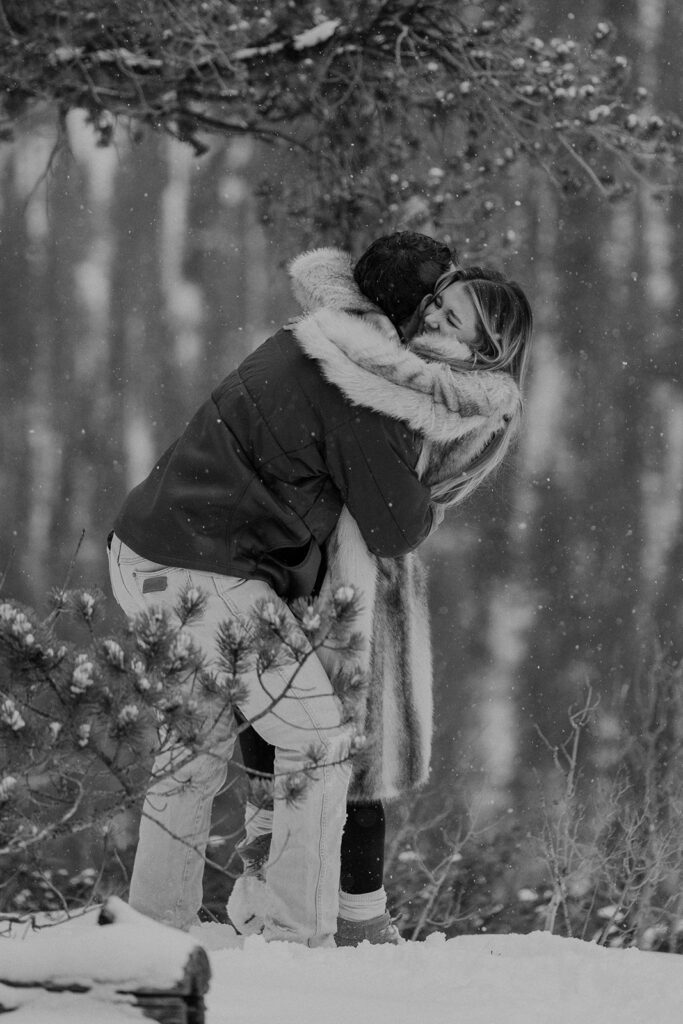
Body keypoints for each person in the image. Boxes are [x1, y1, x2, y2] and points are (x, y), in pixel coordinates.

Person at [108, 231, 479, 946]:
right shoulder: (361, 384)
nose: (444, 318)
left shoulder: (314, 338)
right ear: (411, 310)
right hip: (209, 572)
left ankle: (152, 929)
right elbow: (397, 526)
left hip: (146, 553)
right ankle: (296, 939)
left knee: (193, 750)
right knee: (318, 740)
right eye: (439, 301)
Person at [225, 241, 533, 944]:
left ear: (487, 344)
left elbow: (402, 493)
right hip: (312, 555)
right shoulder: (403, 364)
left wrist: (359, 327)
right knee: (281, 733)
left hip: (367, 572)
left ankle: (359, 914)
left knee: (355, 749)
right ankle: (268, 893)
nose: (434, 318)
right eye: (436, 303)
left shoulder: (462, 398)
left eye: (454, 317)